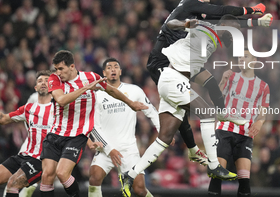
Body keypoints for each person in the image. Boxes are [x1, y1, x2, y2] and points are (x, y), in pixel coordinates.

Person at [120, 16, 261, 197]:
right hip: (173, 78)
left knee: (164, 138)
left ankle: (129, 175)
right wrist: (185, 24)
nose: (234, 38)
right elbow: (170, 24)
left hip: (174, 79)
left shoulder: (213, 42)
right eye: (234, 33)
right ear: (225, 26)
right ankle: (214, 165)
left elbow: (204, 79)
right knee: (207, 113)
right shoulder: (206, 29)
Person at [146, 0, 270, 166]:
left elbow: (224, 22)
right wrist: (251, 10)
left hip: (182, 62)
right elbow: (222, 10)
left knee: (210, 82)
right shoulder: (190, 4)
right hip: (164, 62)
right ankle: (194, 149)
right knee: (184, 110)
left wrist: (256, 23)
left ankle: (220, 117)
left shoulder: (195, 11)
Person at [39, 50, 148, 197]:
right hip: (55, 133)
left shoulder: (91, 77)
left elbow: (111, 90)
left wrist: (130, 103)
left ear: (72, 66)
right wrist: (86, 88)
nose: (58, 72)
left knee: (62, 173)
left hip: (77, 135)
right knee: (46, 176)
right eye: (56, 69)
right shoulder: (54, 79)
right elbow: (62, 100)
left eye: (61, 69)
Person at [88, 58, 160, 197]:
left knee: (139, 190)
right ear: (104, 73)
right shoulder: (97, 95)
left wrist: (162, 132)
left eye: (116, 67)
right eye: (109, 67)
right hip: (106, 148)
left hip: (128, 149)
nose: (113, 69)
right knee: (94, 178)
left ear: (120, 71)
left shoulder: (134, 90)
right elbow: (94, 127)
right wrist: (109, 149)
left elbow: (151, 111)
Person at [208, 48, 270, 196]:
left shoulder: (263, 86)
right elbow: (214, 100)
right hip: (224, 129)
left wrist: (259, 123)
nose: (242, 59)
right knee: (217, 176)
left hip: (245, 134)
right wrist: (222, 80)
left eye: (246, 57)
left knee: (244, 181)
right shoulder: (231, 77)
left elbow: (263, 111)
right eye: (240, 57)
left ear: (254, 61)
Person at [0, 71, 54, 197]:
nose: (43, 83)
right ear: (35, 87)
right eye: (40, 81)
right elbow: (3, 119)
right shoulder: (28, 108)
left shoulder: (59, 110)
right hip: (23, 156)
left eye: (47, 80)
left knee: (13, 183)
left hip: (41, 160)